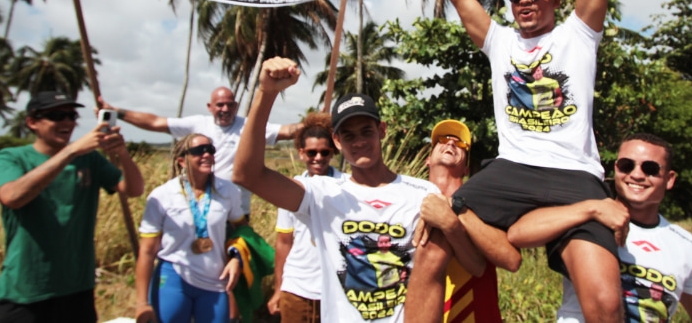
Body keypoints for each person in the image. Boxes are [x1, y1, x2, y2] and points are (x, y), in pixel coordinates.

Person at [405, 0, 620, 323]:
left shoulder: (578, 35)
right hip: (512, 170)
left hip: (574, 172)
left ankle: (553, 224)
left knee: (603, 303)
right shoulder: (500, 42)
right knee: (431, 239)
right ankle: (503, 249)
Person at [232, 56, 482, 322]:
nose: (359, 141)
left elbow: (475, 266)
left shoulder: (423, 193)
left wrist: (452, 225)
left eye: (366, 131)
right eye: (349, 135)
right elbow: (247, 174)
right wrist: (265, 94)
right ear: (337, 141)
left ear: (382, 130)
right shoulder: (321, 194)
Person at [508, 133, 692, 323]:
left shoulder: (683, 244)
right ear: (616, 169)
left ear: (669, 179)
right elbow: (518, 233)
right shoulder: (585, 217)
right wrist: (591, 208)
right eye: (626, 165)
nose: (636, 175)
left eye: (650, 168)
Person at [0, 91, 144, 323]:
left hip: (76, 290)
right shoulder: (10, 158)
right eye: (57, 115)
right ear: (32, 122)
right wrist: (70, 151)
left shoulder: (90, 160)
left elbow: (133, 189)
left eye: (71, 116)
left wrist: (122, 152)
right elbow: (12, 197)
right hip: (24, 291)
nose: (67, 122)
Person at [98, 87, 301, 216]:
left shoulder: (250, 127)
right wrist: (118, 113)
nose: (225, 109)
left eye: (230, 104)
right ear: (210, 107)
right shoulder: (197, 124)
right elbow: (155, 122)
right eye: (220, 105)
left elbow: (287, 131)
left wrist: (322, 122)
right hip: (199, 208)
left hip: (236, 212)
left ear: (236, 106)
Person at [135, 133, 245, 323]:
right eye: (198, 151)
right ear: (181, 161)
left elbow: (242, 230)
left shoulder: (229, 191)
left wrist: (236, 258)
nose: (207, 155)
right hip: (173, 278)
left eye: (210, 150)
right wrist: (141, 303)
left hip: (215, 280)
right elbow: (147, 250)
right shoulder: (162, 195)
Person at [421, 120, 520, 323]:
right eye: (443, 139)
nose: (450, 144)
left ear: (466, 168)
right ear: (427, 160)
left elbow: (512, 260)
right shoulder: (408, 201)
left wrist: (454, 208)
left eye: (460, 144)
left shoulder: (484, 202)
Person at [267, 112, 344, 322]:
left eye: (324, 152)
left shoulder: (347, 186)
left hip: (339, 291)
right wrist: (278, 289)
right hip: (298, 288)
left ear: (333, 151)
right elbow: (284, 242)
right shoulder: (291, 188)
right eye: (311, 153)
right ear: (301, 153)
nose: (318, 158)